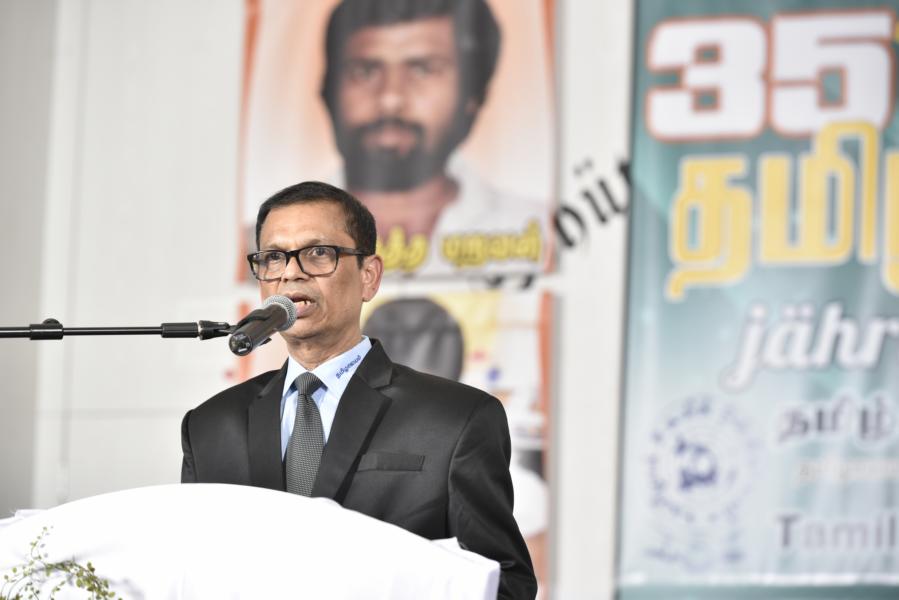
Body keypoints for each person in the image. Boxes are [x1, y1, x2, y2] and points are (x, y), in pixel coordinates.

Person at [181, 181, 537, 599]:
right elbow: (187, 573)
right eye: (274, 257)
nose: (291, 273)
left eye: (318, 253)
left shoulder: (456, 420)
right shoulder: (210, 426)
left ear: (369, 277)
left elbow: (505, 584)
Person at [320, 0, 549, 276]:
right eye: (364, 72)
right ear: (327, 91)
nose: (390, 99)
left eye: (423, 70)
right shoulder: (273, 236)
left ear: (474, 94)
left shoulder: (542, 233)